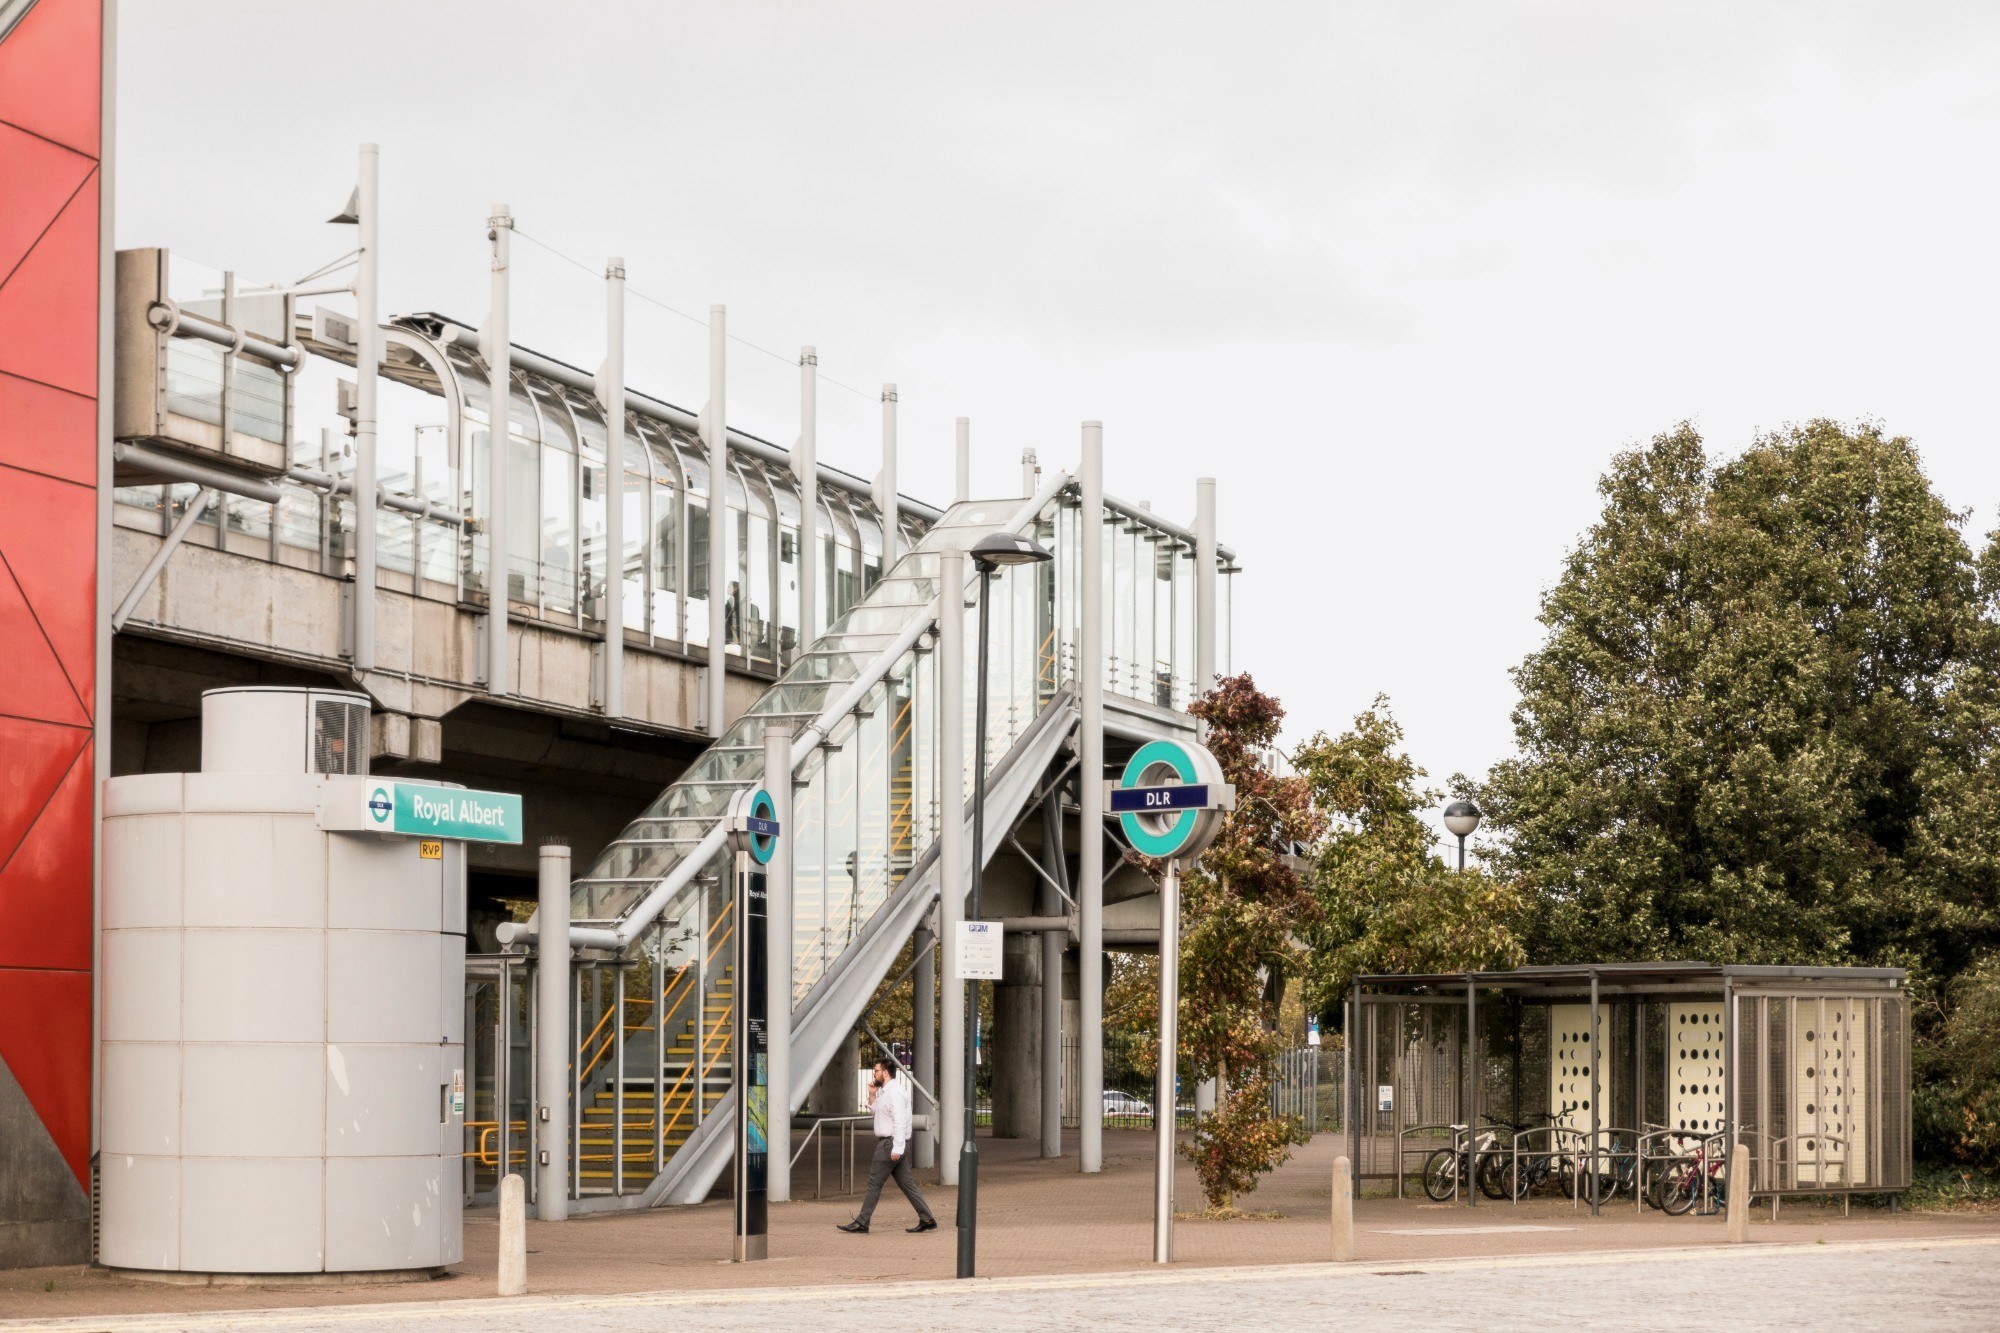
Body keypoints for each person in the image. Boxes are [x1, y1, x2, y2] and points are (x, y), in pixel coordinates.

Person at [837, 1058, 937, 1235]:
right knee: (907, 1185)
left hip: (890, 1143)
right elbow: (878, 1113)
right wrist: (873, 1094)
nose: (873, 1074)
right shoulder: (885, 1091)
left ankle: (862, 1222)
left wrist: (897, 1148)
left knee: (874, 1183)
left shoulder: (895, 1092)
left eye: (875, 1071)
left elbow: (900, 1120)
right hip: (892, 1143)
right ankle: (927, 1218)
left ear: (884, 1072)